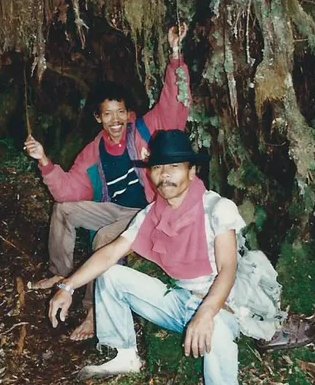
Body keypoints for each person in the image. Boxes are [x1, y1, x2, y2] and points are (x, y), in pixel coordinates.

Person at [47, 129, 290, 385]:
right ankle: (125, 355)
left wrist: (205, 313)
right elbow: (110, 252)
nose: (165, 175)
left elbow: (228, 269)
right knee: (112, 274)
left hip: (223, 303)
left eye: (174, 166)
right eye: (159, 167)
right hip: (179, 301)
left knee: (215, 326)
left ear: (192, 170)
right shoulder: (152, 213)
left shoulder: (217, 208)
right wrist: (68, 286)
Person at [25, 25, 191, 341]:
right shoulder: (94, 151)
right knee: (63, 209)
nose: (115, 121)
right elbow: (69, 190)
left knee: (103, 237)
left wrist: (175, 55)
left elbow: (174, 105)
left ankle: (93, 311)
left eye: (120, 113)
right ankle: (61, 275)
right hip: (114, 209)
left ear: (129, 115)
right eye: (107, 115)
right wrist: (44, 160)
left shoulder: (145, 131)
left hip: (146, 213)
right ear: (98, 118)